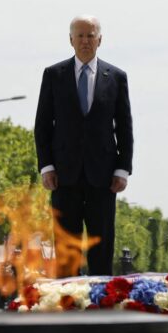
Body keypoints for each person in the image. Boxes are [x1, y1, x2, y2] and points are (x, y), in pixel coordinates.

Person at [34, 15, 133, 276]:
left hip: (104, 177)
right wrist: (46, 166)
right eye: (80, 35)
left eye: (91, 35)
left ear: (100, 40)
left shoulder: (117, 77)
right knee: (67, 246)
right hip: (63, 176)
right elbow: (43, 125)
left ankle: (101, 307)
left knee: (102, 245)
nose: (85, 41)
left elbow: (124, 127)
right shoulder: (53, 75)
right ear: (70, 40)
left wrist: (122, 170)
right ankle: (67, 304)